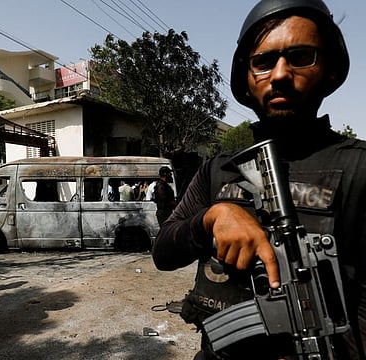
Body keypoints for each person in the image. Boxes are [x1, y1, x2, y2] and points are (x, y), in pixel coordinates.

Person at [152, 0, 365, 358]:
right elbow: (163, 252)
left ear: (328, 69)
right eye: (263, 61)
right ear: (248, 80)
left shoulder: (359, 168)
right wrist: (212, 218)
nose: (280, 74)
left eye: (301, 57)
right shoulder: (218, 169)